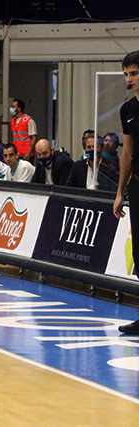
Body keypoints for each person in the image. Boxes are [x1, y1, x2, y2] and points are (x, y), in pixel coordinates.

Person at [115, 50, 139, 335]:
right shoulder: (128, 110)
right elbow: (128, 152)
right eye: (126, 74)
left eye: (133, 73)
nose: (129, 79)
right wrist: (120, 191)